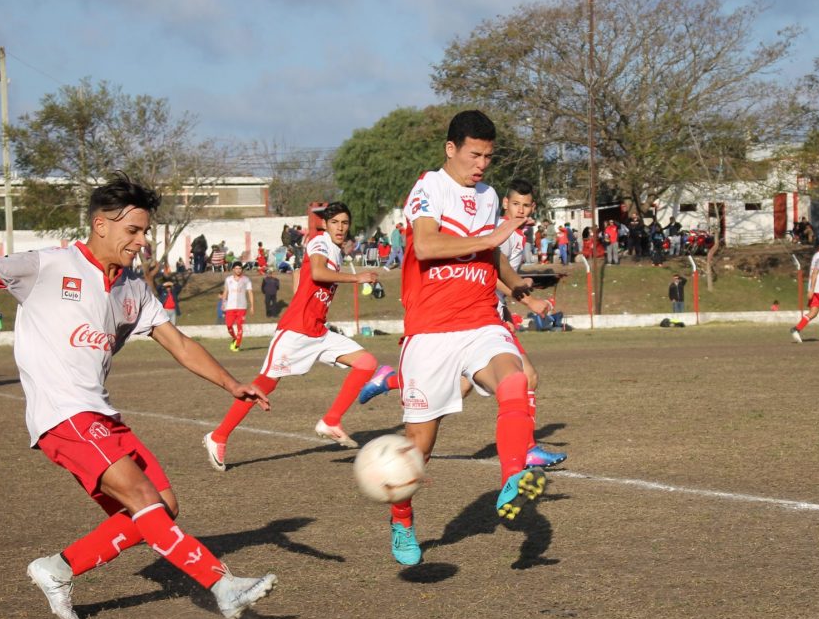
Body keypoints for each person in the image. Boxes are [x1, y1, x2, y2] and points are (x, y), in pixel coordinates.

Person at [0, 173, 277, 619]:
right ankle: (221, 585)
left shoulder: (133, 289)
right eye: (133, 231)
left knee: (162, 506)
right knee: (143, 495)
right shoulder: (50, 265)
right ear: (100, 225)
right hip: (62, 415)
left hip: (102, 413)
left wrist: (231, 384)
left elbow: (180, 343)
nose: (141, 241)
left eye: (145, 232)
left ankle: (59, 568)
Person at [375, 110, 549, 567]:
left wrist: (519, 291)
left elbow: (491, 254)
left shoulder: (490, 195)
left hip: (479, 319)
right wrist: (493, 236)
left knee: (517, 379)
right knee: (419, 449)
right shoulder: (429, 187)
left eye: (488, 157)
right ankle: (402, 520)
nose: (481, 165)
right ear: (450, 149)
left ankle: (513, 479)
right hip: (430, 330)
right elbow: (429, 246)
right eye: (474, 154)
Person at [361, 178, 568, 471]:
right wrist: (526, 300)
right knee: (526, 377)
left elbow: (497, 273)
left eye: (526, 205)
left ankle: (393, 380)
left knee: (471, 386)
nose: (521, 210)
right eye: (516, 204)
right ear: (505, 204)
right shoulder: (498, 230)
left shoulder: (517, 237)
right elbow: (487, 270)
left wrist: (520, 290)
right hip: (470, 315)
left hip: (488, 315)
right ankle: (527, 449)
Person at [203, 202, 386, 470]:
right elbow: (318, 272)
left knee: (366, 363)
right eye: (335, 222)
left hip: (319, 331)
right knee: (264, 385)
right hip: (295, 331)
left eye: (345, 223)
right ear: (325, 224)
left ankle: (331, 420)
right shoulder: (320, 242)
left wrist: (306, 294)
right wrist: (357, 279)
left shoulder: (334, 249)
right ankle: (218, 436)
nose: (340, 227)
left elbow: (303, 274)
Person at [220, 261, 253, 351]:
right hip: (230, 306)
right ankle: (235, 338)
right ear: (233, 269)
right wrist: (223, 303)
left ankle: (237, 345)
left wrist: (252, 306)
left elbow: (250, 292)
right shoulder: (228, 279)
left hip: (242, 306)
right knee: (229, 326)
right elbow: (225, 291)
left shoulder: (246, 280)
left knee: (239, 326)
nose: (238, 270)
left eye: (240, 268)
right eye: (236, 268)